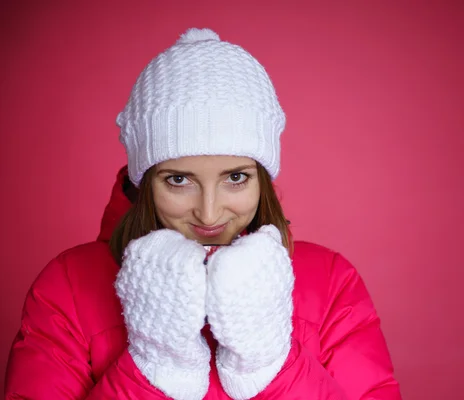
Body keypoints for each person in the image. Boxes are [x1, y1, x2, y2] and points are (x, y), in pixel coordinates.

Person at [4, 28, 401, 399]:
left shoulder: (332, 283)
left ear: (261, 179)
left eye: (235, 177)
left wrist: (270, 363)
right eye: (178, 179)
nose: (209, 213)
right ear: (145, 182)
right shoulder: (67, 287)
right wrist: (155, 367)